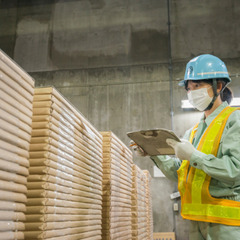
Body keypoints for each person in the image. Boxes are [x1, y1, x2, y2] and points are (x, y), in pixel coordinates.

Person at [130, 54, 240, 240]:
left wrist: (195, 156)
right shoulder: (193, 132)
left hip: (226, 224)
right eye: (189, 89)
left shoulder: (234, 120)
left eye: (197, 86)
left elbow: (235, 170)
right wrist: (154, 153)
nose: (192, 93)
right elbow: (180, 173)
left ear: (218, 86)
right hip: (195, 221)